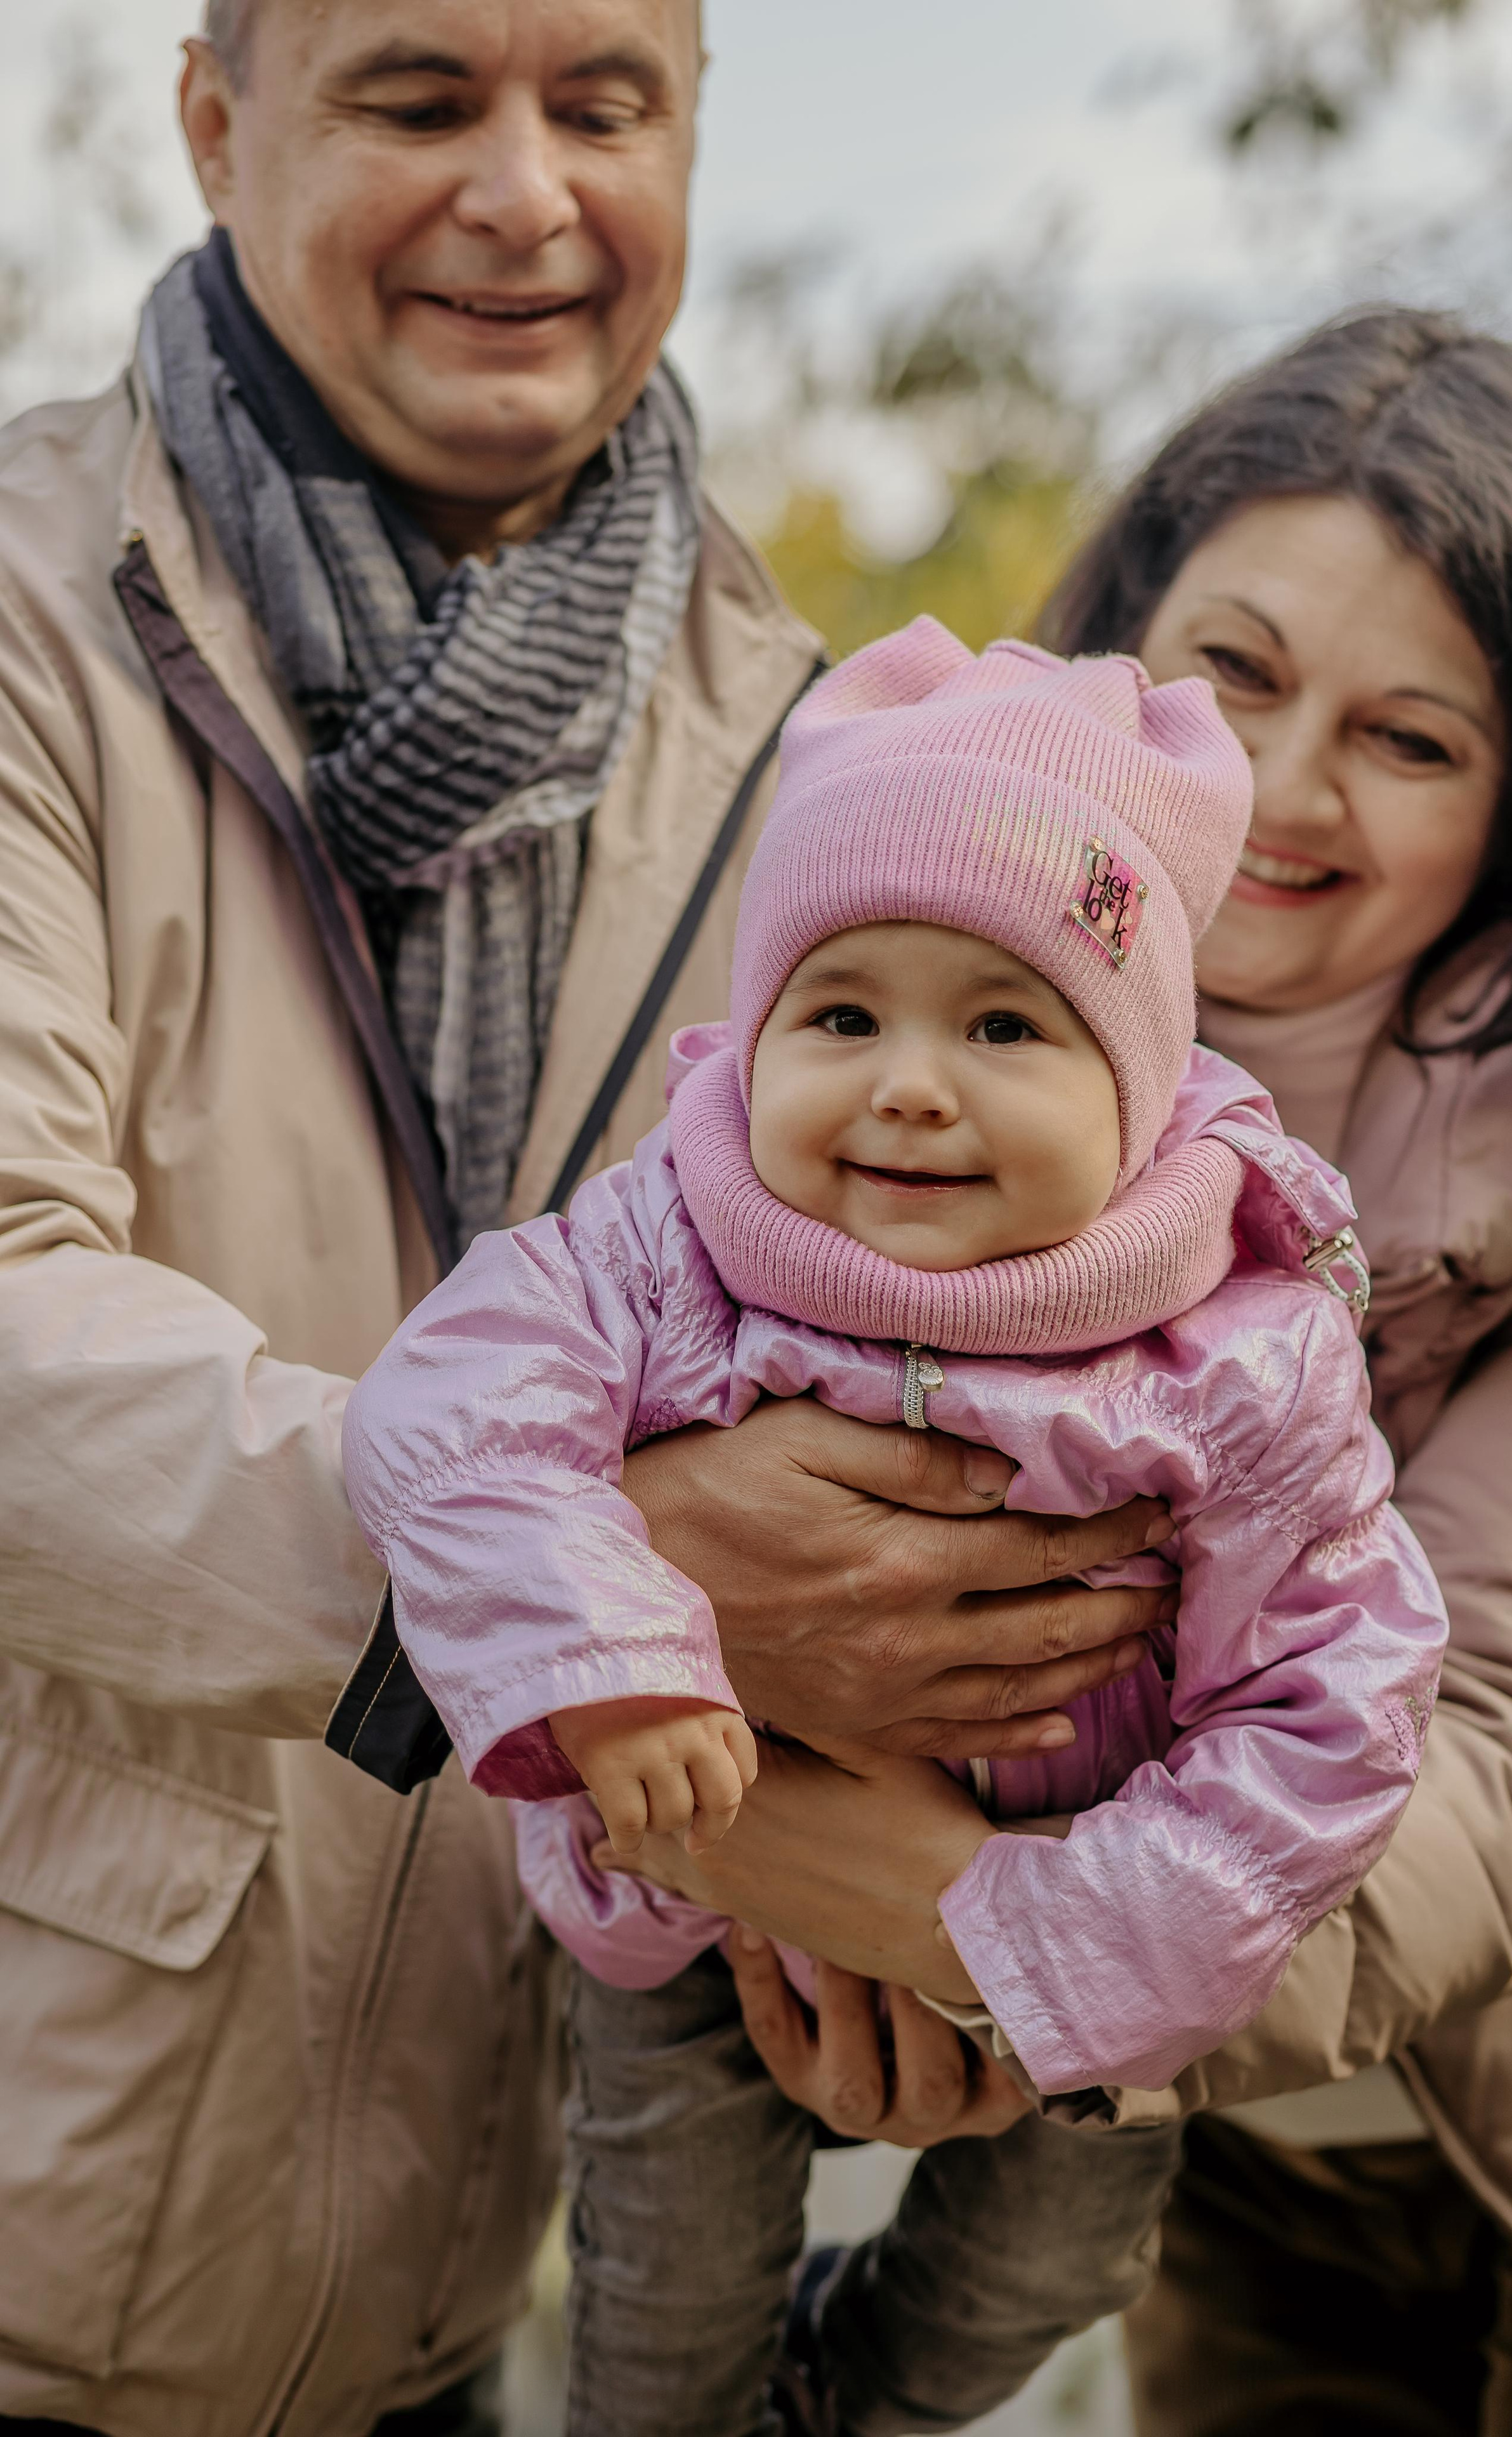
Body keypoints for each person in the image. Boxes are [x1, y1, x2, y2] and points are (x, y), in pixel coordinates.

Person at [0, 4, 1194, 2433]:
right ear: (220, 124)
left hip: (462, 2256)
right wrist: (587, 1572)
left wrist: (942, 1909)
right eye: (421, 100)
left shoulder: (830, 748)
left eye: (604, 105)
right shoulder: (33, 613)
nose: (527, 194)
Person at [593, 311, 1512, 2431]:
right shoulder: (873, 1066)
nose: (1289, 784)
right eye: (1239, 675)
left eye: (1415, 739)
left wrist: (961, 1930)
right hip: (1221, 2173)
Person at [342, 619, 1449, 2437]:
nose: (911, 1083)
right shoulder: (658, 1246)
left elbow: (1341, 1696)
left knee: (1044, 2277)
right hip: (699, 1885)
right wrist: (606, 1662)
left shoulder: (1228, 1354)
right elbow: (445, 1418)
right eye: (842, 1014)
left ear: (1140, 1085)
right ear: (762, 1030)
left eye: (1007, 1024)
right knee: (662, 2308)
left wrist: (1054, 1934)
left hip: (1075, 1934)